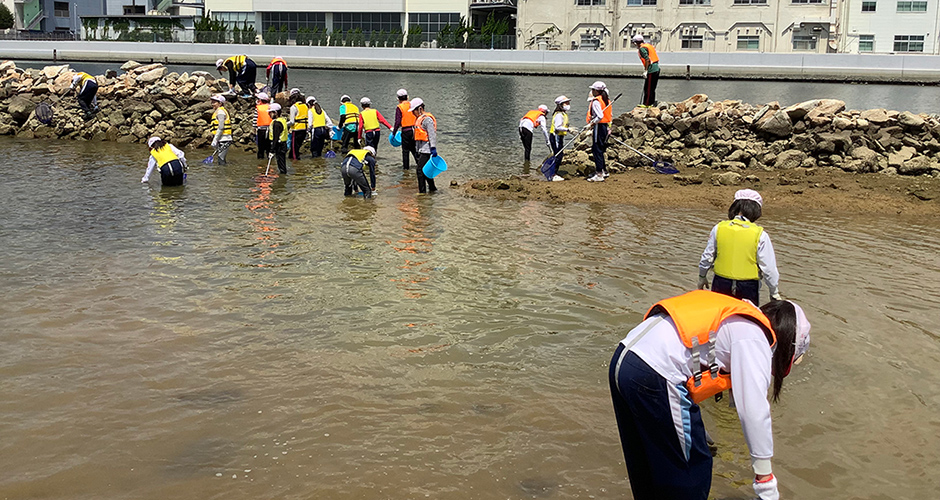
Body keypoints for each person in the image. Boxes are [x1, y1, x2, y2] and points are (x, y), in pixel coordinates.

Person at [609, 290, 811, 500]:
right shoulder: (755, 337)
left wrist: (695, 430)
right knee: (693, 470)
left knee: (648, 466)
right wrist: (765, 480)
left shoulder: (738, 318)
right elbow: (754, 411)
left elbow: (687, 360)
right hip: (655, 372)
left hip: (624, 360)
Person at [698, 189, 781, 305]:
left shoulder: (718, 228)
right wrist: (774, 292)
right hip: (748, 287)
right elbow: (769, 269)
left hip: (721, 283)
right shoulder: (760, 235)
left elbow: (707, 257)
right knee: (747, 320)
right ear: (756, 211)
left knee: (720, 318)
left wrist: (702, 276)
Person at [410, 98, 438, 194]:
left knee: (420, 171)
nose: (413, 113)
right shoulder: (419, 120)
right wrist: (417, 151)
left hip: (427, 149)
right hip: (421, 149)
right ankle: (432, 189)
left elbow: (432, 134)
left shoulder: (427, 120)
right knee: (426, 171)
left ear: (420, 108)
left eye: (414, 111)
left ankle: (422, 193)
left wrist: (433, 148)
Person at [586, 81, 612, 182]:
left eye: (593, 90)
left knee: (597, 150)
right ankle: (604, 171)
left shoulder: (597, 101)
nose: (592, 91)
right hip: (604, 126)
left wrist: (592, 123)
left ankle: (599, 173)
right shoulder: (606, 100)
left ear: (597, 91)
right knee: (600, 149)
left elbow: (600, 116)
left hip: (599, 126)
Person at [392, 88, 418, 170]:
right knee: (414, 150)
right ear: (407, 97)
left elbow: (397, 121)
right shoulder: (412, 105)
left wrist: (394, 133)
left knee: (405, 151)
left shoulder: (400, 107)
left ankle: (406, 169)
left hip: (406, 131)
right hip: (415, 130)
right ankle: (420, 166)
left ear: (398, 99)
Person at [547, 95, 571, 182]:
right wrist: (568, 129)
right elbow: (557, 127)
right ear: (560, 105)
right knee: (558, 155)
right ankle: (553, 174)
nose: (568, 104)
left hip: (559, 137)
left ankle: (554, 173)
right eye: (566, 103)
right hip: (555, 136)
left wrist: (569, 130)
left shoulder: (563, 114)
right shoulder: (559, 115)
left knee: (559, 154)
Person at [633, 34, 660, 108]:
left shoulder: (642, 48)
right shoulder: (648, 45)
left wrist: (646, 71)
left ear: (636, 43)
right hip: (656, 68)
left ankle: (647, 104)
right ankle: (652, 103)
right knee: (652, 88)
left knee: (648, 88)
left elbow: (647, 59)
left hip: (651, 69)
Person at [209, 94, 233, 165]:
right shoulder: (219, 111)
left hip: (225, 139)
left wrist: (215, 140)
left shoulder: (220, 112)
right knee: (220, 159)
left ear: (220, 103)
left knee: (221, 159)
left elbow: (221, 127)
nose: (212, 104)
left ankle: (223, 174)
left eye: (214, 102)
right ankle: (221, 174)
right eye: (212, 102)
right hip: (222, 139)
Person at [266, 103, 289, 174]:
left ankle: (282, 178)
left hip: (279, 145)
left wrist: (272, 150)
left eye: (270, 113)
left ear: (275, 113)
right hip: (283, 144)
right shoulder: (282, 120)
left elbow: (276, 138)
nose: (269, 114)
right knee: (281, 162)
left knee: (281, 164)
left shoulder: (277, 124)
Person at [287, 88, 309, 160]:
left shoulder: (293, 107)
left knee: (294, 151)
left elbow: (292, 121)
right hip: (304, 129)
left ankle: (296, 165)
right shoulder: (305, 106)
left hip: (296, 129)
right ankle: (297, 164)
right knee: (296, 148)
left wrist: (284, 124)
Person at [254, 92, 272, 160]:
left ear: (260, 100)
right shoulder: (270, 107)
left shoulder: (258, 108)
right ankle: (269, 160)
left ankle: (260, 161)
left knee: (260, 147)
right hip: (270, 129)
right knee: (269, 146)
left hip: (261, 129)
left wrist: (254, 129)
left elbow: (255, 120)